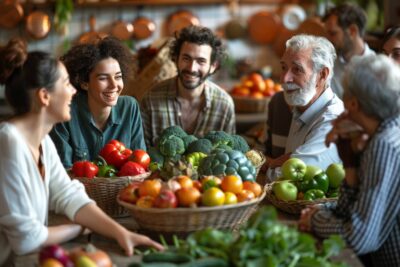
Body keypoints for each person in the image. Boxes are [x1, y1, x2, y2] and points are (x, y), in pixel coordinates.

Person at [0, 38, 162, 265]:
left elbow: (69, 195)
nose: (73, 90)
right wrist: (78, 228)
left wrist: (120, 233)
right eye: (66, 83)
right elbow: (26, 239)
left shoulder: (42, 142)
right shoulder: (8, 142)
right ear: (45, 96)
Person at [299, 54, 400, 267]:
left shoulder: (385, 144)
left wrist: (315, 220)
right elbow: (354, 213)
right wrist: (350, 163)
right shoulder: (385, 131)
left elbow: (358, 237)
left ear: (353, 103)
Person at [50, 37, 146, 168]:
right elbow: (63, 172)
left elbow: (141, 164)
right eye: (103, 78)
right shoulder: (65, 112)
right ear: (84, 82)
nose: (114, 85)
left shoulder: (130, 107)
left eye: (118, 77)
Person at [140, 25, 236, 147]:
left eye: (201, 61)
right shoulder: (150, 100)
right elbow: (141, 154)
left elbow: (229, 154)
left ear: (213, 66)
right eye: (186, 58)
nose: (192, 68)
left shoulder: (224, 105)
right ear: (175, 59)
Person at [265, 34, 344, 181]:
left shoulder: (332, 119)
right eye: (284, 68)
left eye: (297, 69)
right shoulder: (301, 107)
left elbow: (287, 180)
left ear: (322, 75)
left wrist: (272, 164)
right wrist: (277, 164)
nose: (284, 78)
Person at [323, 3, 375, 98]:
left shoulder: (378, 68)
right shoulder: (327, 66)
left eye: (333, 33)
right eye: (327, 34)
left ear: (352, 31)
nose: (327, 40)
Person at [264, 91, 292, 167]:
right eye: (281, 77)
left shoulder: (325, 115)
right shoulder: (278, 101)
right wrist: (271, 163)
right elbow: (258, 152)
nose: (285, 80)